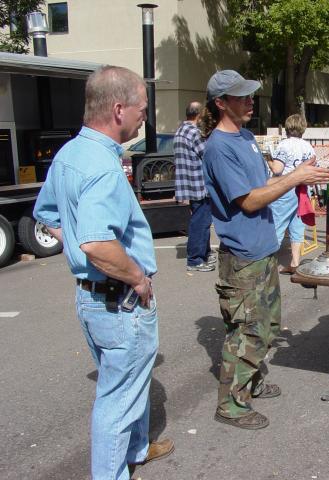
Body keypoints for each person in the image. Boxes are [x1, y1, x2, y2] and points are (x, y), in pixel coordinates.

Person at [33, 66, 174, 480]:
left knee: (127, 387)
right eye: (142, 110)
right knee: (115, 402)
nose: (143, 118)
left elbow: (46, 213)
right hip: (120, 301)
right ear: (118, 110)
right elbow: (97, 243)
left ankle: (138, 449)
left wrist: (75, 242)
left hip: (92, 300)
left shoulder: (71, 154)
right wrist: (136, 277)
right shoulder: (102, 166)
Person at [200, 69, 329, 429]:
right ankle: (231, 405)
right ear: (220, 103)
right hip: (242, 257)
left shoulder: (244, 137)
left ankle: (251, 383)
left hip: (262, 250)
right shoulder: (219, 147)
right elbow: (249, 201)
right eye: (241, 96)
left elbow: (263, 184)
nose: (249, 101)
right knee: (247, 332)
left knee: (268, 326)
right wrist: (295, 178)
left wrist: (296, 173)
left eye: (250, 95)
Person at [266, 114, 316, 274]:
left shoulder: (284, 145)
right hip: (302, 190)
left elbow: (277, 169)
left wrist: (267, 158)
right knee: (297, 228)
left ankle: (267, 265)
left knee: (277, 226)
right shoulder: (308, 147)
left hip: (285, 188)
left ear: (287, 128)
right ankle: (295, 263)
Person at [174, 101, 216, 272]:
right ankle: (196, 259)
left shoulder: (180, 131)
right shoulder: (194, 132)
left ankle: (204, 253)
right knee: (201, 222)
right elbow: (208, 154)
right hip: (199, 184)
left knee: (200, 220)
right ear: (199, 115)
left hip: (189, 184)